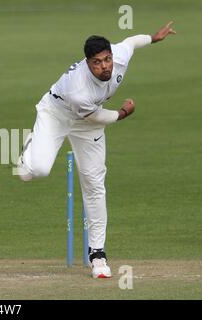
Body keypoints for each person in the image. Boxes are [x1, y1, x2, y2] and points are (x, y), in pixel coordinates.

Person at [17, 22, 176, 278]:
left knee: (94, 184)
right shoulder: (79, 89)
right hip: (57, 113)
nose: (105, 66)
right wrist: (123, 113)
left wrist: (153, 38)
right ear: (87, 63)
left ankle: (97, 254)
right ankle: (30, 151)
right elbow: (98, 117)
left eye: (107, 60)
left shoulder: (118, 56)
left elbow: (130, 42)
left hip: (87, 125)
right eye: (97, 62)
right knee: (37, 170)